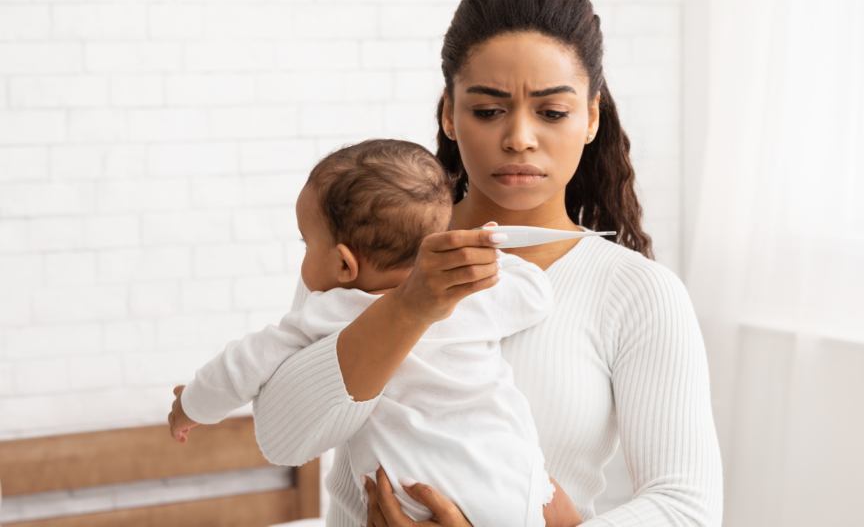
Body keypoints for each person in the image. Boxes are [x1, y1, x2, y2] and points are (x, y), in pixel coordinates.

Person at [252, 0, 724, 527]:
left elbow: (684, 509)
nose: (520, 137)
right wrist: (409, 306)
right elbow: (280, 439)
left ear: (591, 117)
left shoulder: (638, 293)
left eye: (551, 112)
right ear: (448, 114)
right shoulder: (361, 249)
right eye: (487, 110)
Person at [166, 139, 582, 527]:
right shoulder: (472, 294)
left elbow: (241, 365)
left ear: (345, 265)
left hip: (412, 498)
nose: (304, 257)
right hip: (512, 480)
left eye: (306, 243)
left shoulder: (331, 310)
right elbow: (535, 294)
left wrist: (191, 405)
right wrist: (492, 255)